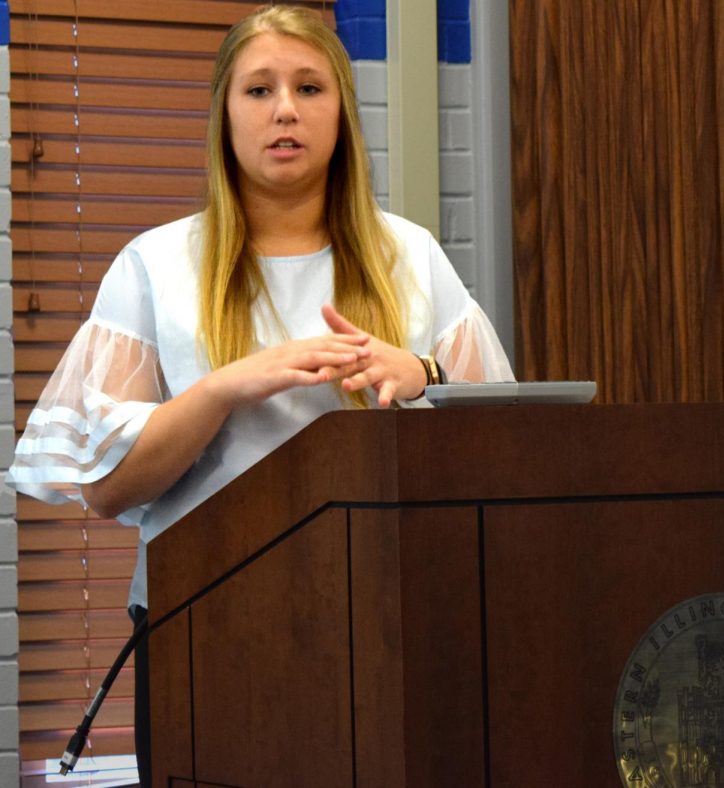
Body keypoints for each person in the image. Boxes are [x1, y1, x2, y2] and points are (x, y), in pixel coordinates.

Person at [7, 5, 513, 785]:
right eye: (259, 89)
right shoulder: (156, 266)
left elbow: (507, 462)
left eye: (309, 87)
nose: (285, 109)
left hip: (393, 630)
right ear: (224, 115)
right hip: (206, 634)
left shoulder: (410, 256)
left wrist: (426, 377)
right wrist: (224, 390)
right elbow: (106, 489)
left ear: (341, 111)